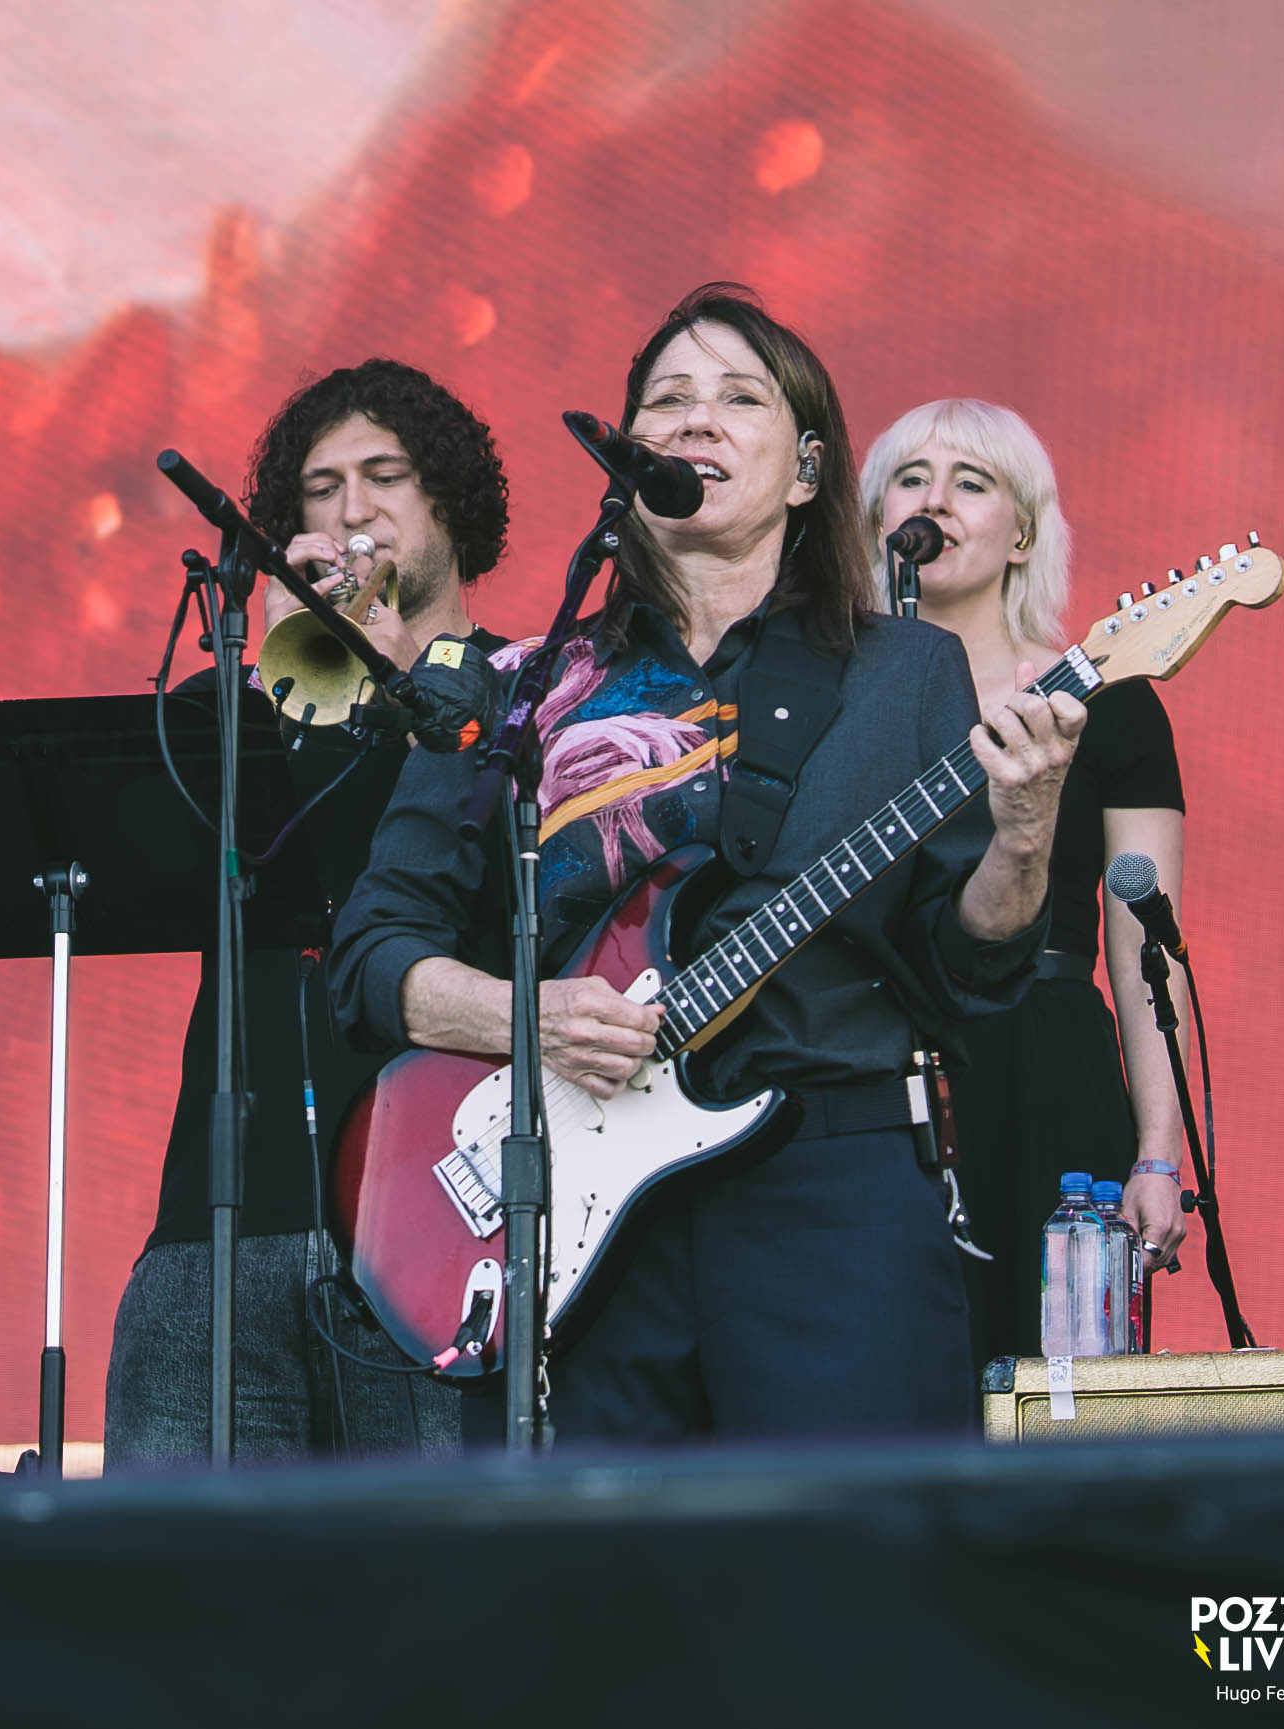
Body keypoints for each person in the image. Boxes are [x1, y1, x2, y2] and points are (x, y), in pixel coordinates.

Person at [328, 287, 1086, 1444]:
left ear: (807, 470)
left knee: (854, 1545)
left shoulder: (906, 672)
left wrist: (1026, 830)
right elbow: (373, 958)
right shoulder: (520, 687)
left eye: (740, 399)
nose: (696, 419)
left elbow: (967, 966)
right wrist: (527, 1015)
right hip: (572, 1216)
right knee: (601, 1562)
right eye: (668, 400)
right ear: (628, 457)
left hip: (832, 1191)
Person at [104, 358, 510, 1467]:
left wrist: (402, 682)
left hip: (435, 1225)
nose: (350, 511)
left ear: (451, 504)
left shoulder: (525, 692)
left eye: (385, 476)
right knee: (173, 1568)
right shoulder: (223, 716)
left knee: (432, 1568)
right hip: (219, 1224)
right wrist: (284, 687)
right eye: (321, 489)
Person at [859, 397, 1189, 1366]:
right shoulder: (825, 698)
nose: (935, 500)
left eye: (971, 482)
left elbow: (1146, 947)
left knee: (1059, 1380)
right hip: (867, 1062)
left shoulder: (1108, 704)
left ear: (1023, 534)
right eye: (910, 479)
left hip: (1047, 1061)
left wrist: (1157, 1151)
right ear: (875, 521)